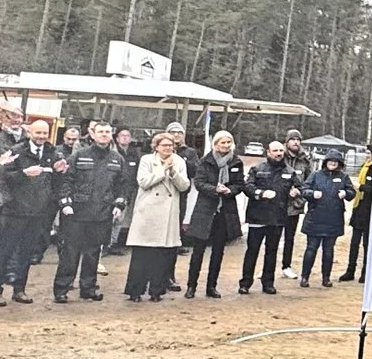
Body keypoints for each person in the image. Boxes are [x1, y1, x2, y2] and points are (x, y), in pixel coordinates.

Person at [0, 116, 60, 305]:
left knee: (27, 253)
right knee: (5, 250)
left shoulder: (52, 152)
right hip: (15, 210)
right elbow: (3, 175)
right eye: (38, 132)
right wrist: (22, 174)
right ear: (30, 133)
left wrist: (60, 171)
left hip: (38, 211)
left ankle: (19, 289)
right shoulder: (17, 151)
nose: (42, 136)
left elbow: (55, 180)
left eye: (45, 133)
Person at [53, 119, 125, 302]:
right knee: (70, 253)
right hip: (76, 213)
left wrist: (119, 205)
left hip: (102, 213)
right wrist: (65, 203)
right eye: (100, 131)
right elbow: (66, 181)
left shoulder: (117, 159)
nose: (104, 135)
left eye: (107, 132)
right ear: (92, 134)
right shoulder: (79, 155)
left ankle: (88, 288)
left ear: (112, 135)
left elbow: (123, 186)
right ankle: (61, 289)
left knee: (93, 253)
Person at [124, 131, 191, 300]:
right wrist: (162, 170)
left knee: (162, 255)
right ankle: (135, 291)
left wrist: (174, 173)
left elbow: (184, 186)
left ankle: (156, 290)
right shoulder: (147, 160)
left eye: (171, 145)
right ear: (156, 147)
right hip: (148, 212)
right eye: (164, 145)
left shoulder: (179, 161)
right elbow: (143, 182)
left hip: (168, 214)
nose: (168, 148)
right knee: (142, 254)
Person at [185, 131, 246, 299]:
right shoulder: (206, 161)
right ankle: (191, 286)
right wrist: (214, 190)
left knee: (218, 252)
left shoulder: (236, 162)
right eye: (222, 142)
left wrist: (229, 190)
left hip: (225, 212)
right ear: (215, 144)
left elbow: (240, 184)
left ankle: (211, 286)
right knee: (198, 251)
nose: (226, 145)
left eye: (228, 142)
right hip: (205, 210)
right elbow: (199, 183)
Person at [238, 140, 296, 296]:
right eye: (275, 151)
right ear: (268, 152)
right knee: (252, 251)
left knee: (272, 252)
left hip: (277, 218)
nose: (278, 154)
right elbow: (247, 187)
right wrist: (260, 193)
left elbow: (299, 188)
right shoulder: (257, 168)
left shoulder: (290, 171)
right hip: (257, 217)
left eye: (280, 151)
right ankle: (245, 283)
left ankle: (268, 283)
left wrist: (295, 192)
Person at [296, 153, 354, 288]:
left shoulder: (343, 177)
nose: (333, 163)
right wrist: (312, 194)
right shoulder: (316, 175)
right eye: (330, 161)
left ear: (340, 163)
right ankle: (305, 277)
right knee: (311, 248)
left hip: (333, 219)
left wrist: (346, 193)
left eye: (336, 161)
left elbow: (351, 192)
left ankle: (326, 278)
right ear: (326, 162)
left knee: (329, 250)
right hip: (315, 217)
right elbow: (304, 189)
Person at [340, 152, 372, 283]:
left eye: (369, 153)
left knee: (367, 244)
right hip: (358, 208)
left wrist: (361, 187)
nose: (366, 155)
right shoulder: (363, 167)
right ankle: (350, 271)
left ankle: (365, 272)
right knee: (354, 243)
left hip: (369, 210)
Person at [279, 130, 309, 277]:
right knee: (272, 238)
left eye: (298, 139)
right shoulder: (278, 157)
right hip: (277, 205)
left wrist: (299, 192)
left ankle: (286, 265)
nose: (296, 142)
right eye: (292, 139)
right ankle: (267, 266)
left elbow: (309, 183)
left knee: (289, 238)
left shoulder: (305, 161)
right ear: (287, 142)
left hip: (295, 206)